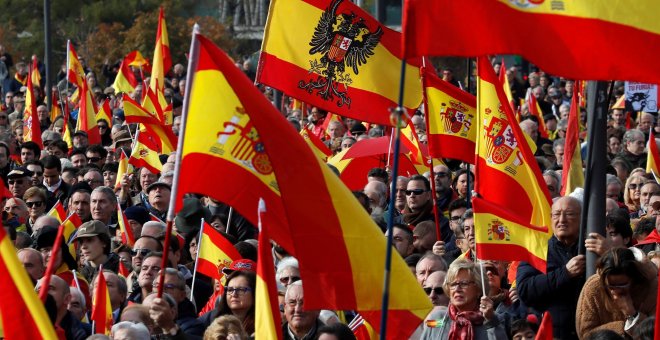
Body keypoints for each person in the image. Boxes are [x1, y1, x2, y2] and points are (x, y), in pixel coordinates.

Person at [517, 196, 585, 339]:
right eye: (556, 214)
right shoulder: (537, 251)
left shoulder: (591, 249)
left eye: (569, 214)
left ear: (582, 217)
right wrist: (565, 273)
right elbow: (524, 289)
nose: (562, 220)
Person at [575, 247, 658, 338]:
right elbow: (585, 334)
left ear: (634, 279)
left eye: (622, 284)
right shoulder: (593, 287)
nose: (616, 290)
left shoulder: (652, 287)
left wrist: (632, 314)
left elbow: (654, 333)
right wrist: (621, 327)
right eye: (611, 286)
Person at [420, 259, 507, 339]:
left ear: (478, 288)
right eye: (453, 284)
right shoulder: (437, 319)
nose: (457, 289)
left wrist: (490, 322)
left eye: (464, 283)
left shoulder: (493, 320)